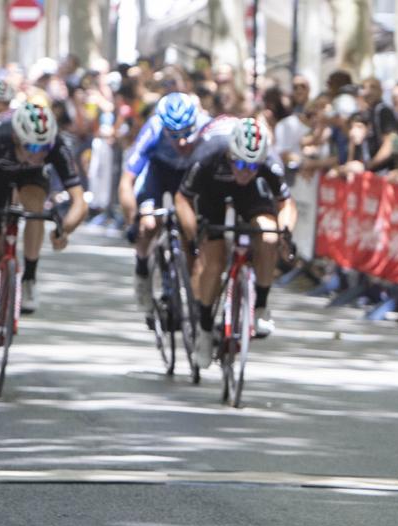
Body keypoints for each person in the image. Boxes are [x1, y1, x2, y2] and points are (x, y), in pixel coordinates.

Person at [0, 103, 88, 368]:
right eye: (31, 147)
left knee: (36, 207)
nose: (37, 154)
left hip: (32, 181)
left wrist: (65, 228)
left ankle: (29, 277)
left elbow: (79, 201)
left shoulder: (53, 144)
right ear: (16, 138)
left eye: (42, 149)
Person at [175, 117, 296, 369]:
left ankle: (260, 306)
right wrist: (193, 236)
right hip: (212, 193)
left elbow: (286, 204)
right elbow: (182, 199)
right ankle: (205, 330)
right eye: (240, 163)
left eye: (253, 166)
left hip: (251, 195)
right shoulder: (207, 154)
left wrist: (285, 233)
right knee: (213, 259)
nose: (245, 171)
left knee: (269, 234)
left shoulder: (268, 162)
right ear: (231, 153)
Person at [119, 92, 210, 315]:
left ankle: (186, 290)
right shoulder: (154, 127)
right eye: (173, 133)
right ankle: (142, 269)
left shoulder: (206, 127)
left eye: (186, 133)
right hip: (158, 173)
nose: (180, 141)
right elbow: (126, 181)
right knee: (149, 225)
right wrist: (132, 220)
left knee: (190, 235)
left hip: (188, 176)